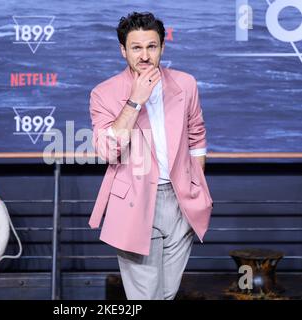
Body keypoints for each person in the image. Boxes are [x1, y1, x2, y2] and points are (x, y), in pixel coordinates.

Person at [88, 12, 213, 300]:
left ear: (162, 47)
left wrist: (195, 184)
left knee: (167, 294)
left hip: (181, 201)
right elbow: (109, 150)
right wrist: (135, 101)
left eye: (151, 46)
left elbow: (197, 133)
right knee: (145, 297)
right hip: (135, 204)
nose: (144, 55)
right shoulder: (103, 94)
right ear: (123, 51)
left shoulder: (186, 84)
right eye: (136, 47)